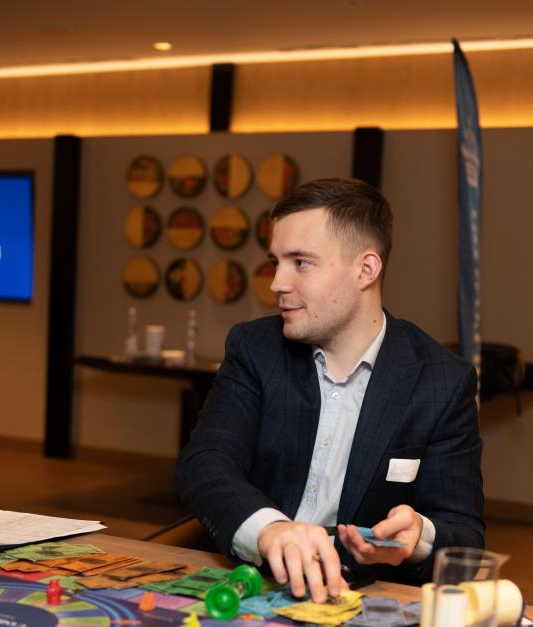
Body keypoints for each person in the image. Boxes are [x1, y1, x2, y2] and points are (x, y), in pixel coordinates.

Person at [176, 178, 484, 602]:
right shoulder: (255, 349)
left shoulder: (441, 381)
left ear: (366, 270)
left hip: (358, 598)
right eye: (276, 262)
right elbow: (206, 463)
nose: (276, 283)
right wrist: (270, 529)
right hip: (249, 583)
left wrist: (419, 536)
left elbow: (463, 534)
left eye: (301, 263)